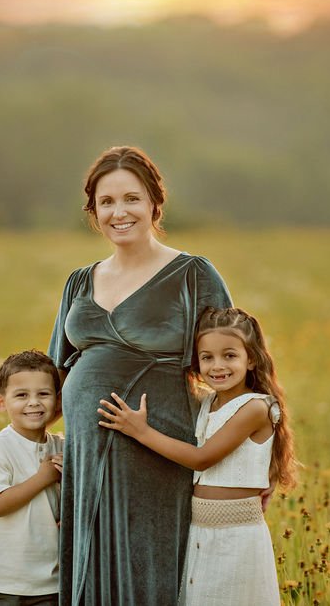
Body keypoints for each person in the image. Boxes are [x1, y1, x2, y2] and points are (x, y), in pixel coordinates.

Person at [47, 146, 233, 605]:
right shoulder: (79, 281)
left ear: (154, 202)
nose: (119, 212)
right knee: (89, 572)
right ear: (94, 212)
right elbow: (49, 380)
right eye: (106, 202)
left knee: (144, 569)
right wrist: (2, 451)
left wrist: (249, 465)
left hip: (156, 450)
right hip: (86, 456)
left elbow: (236, 370)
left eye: (131, 198)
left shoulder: (192, 274)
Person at [97, 306, 297, 606]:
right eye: (207, 357)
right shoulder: (209, 402)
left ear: (251, 359)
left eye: (230, 355)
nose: (218, 366)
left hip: (236, 536)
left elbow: (202, 458)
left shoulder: (255, 408)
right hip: (200, 529)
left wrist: (140, 431)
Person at [0, 349, 65, 606]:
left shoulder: (62, 447)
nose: (34, 402)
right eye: (21, 395)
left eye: (43, 394)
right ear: (1, 402)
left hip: (47, 583)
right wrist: (44, 478)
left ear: (58, 399)